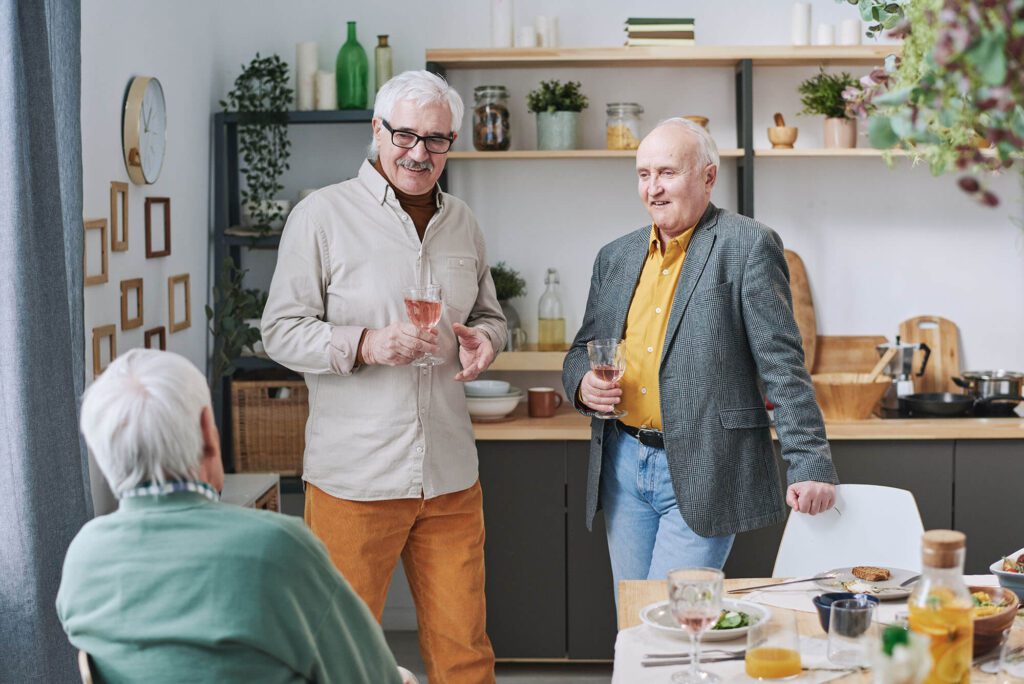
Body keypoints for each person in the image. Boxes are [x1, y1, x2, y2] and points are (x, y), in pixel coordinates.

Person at [261, 70, 505, 683]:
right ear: (377, 131)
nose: (420, 152)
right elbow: (280, 330)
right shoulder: (321, 215)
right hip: (354, 481)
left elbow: (490, 316)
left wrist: (487, 342)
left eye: (437, 139)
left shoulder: (465, 223)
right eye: (405, 135)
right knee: (339, 656)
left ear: (452, 143)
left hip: (450, 478)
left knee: (465, 653)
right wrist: (367, 342)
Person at [562, 118, 838, 594]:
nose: (653, 189)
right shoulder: (616, 256)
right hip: (623, 464)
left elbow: (782, 364)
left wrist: (810, 461)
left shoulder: (748, 245)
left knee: (670, 616)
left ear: (708, 177)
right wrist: (583, 384)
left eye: (667, 173)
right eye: (643, 175)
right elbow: (579, 352)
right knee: (633, 616)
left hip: (704, 464)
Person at [56, 349, 405, 683]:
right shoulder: (277, 547)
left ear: (103, 452)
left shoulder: (83, 557)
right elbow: (371, 676)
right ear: (208, 432)